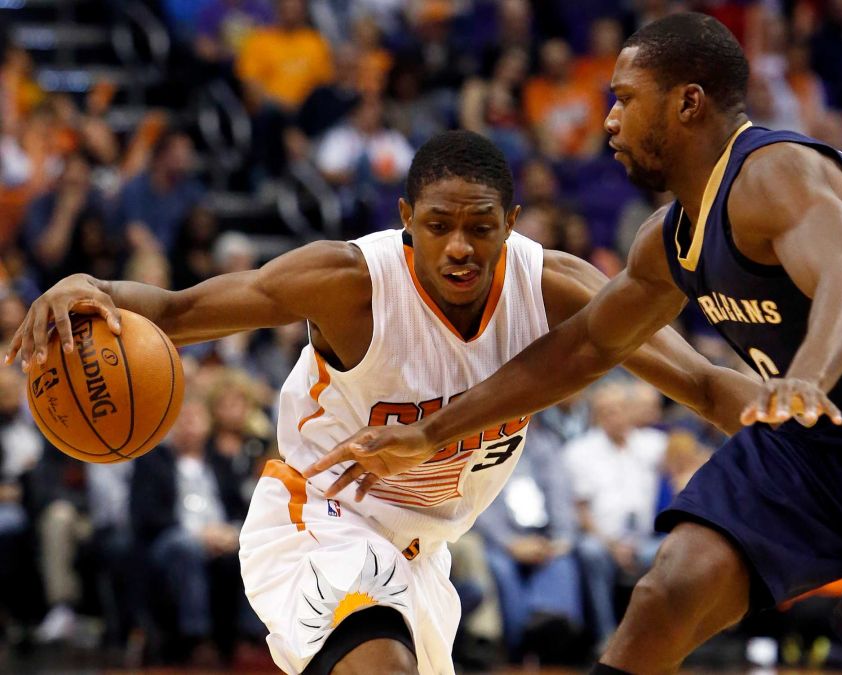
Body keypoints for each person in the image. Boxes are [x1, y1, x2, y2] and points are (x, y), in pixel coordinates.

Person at [7, 130, 756, 675]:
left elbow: (707, 385)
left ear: (513, 222)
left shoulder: (555, 287)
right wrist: (95, 290)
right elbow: (177, 310)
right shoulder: (350, 283)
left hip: (423, 558)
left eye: (480, 227)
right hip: (315, 518)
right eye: (438, 226)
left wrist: (811, 415)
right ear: (405, 216)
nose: (459, 246)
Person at [308, 14, 842, 675]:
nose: (609, 121)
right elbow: (581, 349)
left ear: (688, 102)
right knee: (670, 588)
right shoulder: (669, 239)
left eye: (625, 98)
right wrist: (431, 432)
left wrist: (808, 376)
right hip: (813, 446)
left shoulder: (777, 172)